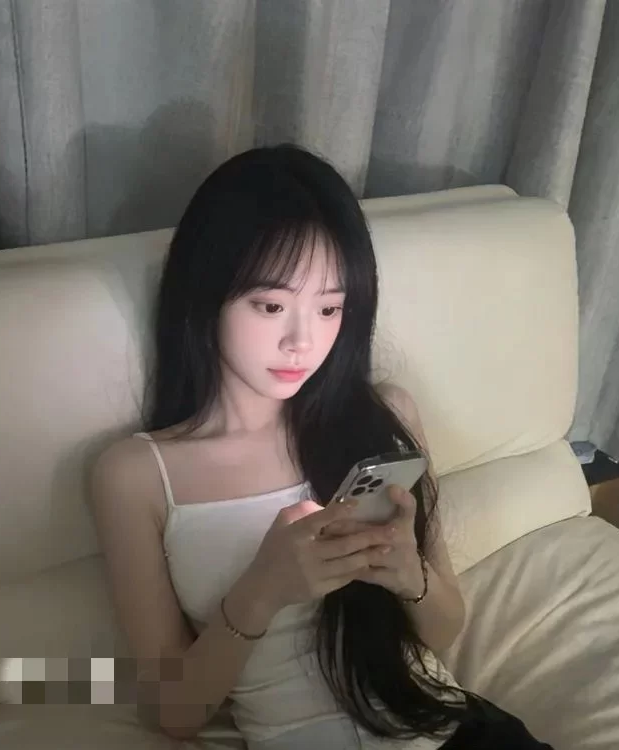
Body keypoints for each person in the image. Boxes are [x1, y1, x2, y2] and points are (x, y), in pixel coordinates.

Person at [90, 144, 555, 749]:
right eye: (271, 305)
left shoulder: (385, 416)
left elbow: (444, 629)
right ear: (204, 295)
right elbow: (174, 713)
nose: (303, 341)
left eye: (330, 307)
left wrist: (409, 575)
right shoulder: (135, 476)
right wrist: (261, 591)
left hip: (454, 732)